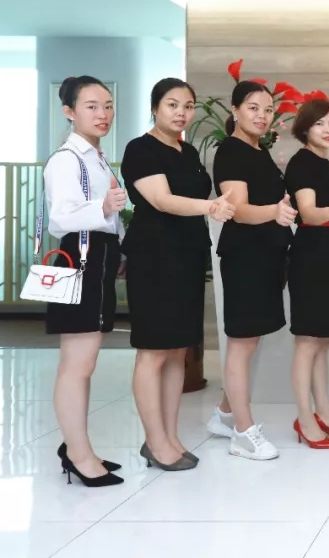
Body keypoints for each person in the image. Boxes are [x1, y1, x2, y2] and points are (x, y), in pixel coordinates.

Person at [122, 78, 234, 472]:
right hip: (153, 257)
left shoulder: (188, 151)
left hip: (187, 256)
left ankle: (168, 437)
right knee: (153, 350)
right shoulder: (140, 149)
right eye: (172, 105)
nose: (181, 113)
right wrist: (210, 208)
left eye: (188, 106)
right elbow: (161, 200)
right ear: (155, 107)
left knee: (176, 351)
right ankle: (154, 441)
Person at [206, 80, 295, 461]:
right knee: (241, 343)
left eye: (268, 109)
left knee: (250, 339)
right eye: (253, 108)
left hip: (267, 255)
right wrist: (275, 211)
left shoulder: (259, 151)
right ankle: (243, 433)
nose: (262, 115)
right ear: (235, 110)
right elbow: (238, 210)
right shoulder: (231, 151)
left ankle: (225, 414)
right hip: (245, 257)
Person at [45, 76, 126, 487]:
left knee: (83, 362)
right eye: (91, 106)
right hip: (80, 258)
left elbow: (105, 215)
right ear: (69, 111)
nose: (103, 114)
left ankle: (78, 448)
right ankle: (78, 454)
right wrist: (104, 205)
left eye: (107, 105)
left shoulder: (95, 157)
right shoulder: (67, 159)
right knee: (77, 363)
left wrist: (119, 250)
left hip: (98, 256)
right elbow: (60, 218)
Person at [284, 99, 329, 449]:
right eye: (320, 123)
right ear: (305, 129)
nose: (328, 129)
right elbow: (308, 213)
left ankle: (324, 414)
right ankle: (304, 419)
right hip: (311, 258)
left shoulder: (323, 162)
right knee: (307, 341)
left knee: (323, 340)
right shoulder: (302, 162)